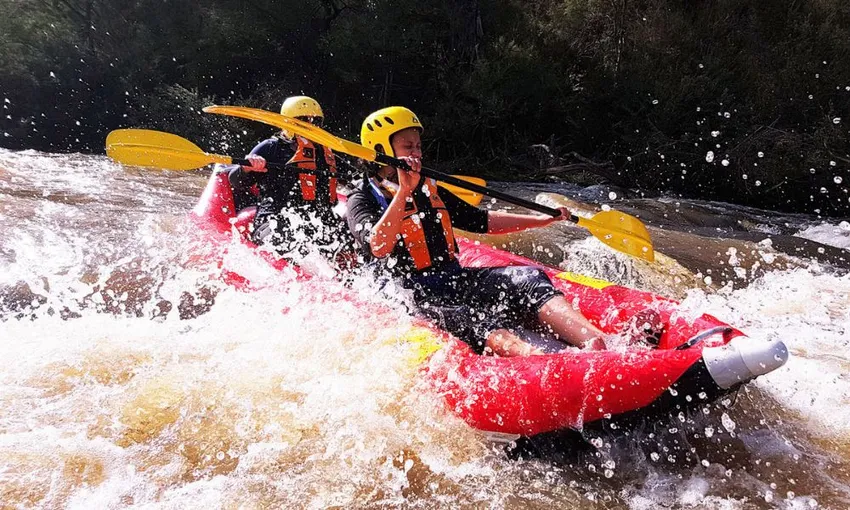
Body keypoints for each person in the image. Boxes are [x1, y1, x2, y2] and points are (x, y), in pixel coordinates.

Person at [346, 106, 617, 357]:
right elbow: (377, 246)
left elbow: (480, 220)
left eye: (418, 146)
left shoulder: (429, 187)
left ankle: (597, 342)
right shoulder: (362, 198)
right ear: (381, 149)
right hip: (406, 292)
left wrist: (540, 220)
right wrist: (404, 191)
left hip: (450, 278)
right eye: (407, 147)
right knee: (469, 315)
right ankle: (540, 360)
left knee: (529, 277)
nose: (416, 153)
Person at [228, 95, 346, 261]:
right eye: (304, 120)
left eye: (316, 122)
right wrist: (247, 168)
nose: (311, 126)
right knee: (288, 239)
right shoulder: (271, 147)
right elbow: (235, 181)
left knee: (346, 237)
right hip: (275, 219)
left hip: (317, 221)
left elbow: (350, 181)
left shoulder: (326, 153)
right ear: (289, 122)